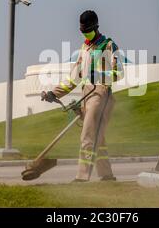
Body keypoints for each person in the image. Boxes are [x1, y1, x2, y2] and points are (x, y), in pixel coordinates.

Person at [41, 10, 124, 182]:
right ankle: (107, 175)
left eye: (88, 30)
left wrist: (100, 76)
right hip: (87, 95)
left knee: (87, 135)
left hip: (101, 95)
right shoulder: (84, 48)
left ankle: (82, 177)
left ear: (96, 27)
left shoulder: (108, 45)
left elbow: (119, 73)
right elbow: (74, 78)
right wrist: (53, 93)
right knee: (98, 137)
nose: (85, 33)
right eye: (83, 31)